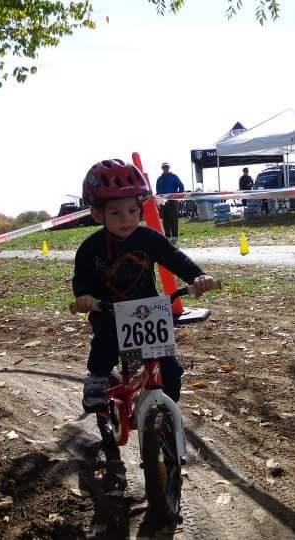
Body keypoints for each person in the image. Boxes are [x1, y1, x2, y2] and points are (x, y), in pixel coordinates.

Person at [73, 158, 217, 489]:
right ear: (98, 214)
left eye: (132, 210)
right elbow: (81, 280)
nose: (126, 219)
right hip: (109, 312)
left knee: (171, 370)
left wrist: (198, 276)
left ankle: (164, 413)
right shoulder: (90, 248)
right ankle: (96, 380)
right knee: (105, 343)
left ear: (140, 208)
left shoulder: (148, 238)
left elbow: (175, 258)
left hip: (149, 312)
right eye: (115, 213)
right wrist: (83, 297)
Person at [155, 162, 185, 242]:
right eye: (164, 167)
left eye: (167, 167)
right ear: (162, 168)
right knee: (165, 220)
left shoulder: (174, 177)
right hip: (163, 202)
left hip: (172, 202)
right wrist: (158, 201)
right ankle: (167, 236)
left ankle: (175, 236)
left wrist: (177, 197)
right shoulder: (159, 179)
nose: (165, 168)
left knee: (173, 219)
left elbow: (181, 186)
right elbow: (157, 191)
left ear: (169, 168)